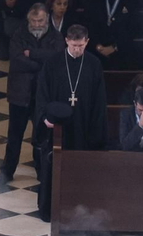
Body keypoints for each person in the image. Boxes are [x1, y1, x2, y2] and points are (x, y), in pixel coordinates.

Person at [33, 25, 106, 219]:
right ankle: (50, 210)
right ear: (66, 41)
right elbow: (42, 94)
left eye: (81, 46)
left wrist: (96, 134)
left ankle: (79, 211)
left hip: (83, 128)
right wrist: (45, 118)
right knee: (54, 167)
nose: (77, 50)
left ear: (87, 42)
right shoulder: (53, 63)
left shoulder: (93, 64)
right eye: (74, 45)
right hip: (58, 130)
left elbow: (99, 102)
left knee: (80, 171)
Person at [0, 4, 62, 188]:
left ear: (47, 19)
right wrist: (41, 64)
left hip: (42, 97)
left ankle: (42, 171)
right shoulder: (19, 35)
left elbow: (56, 58)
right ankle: (7, 172)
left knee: (41, 136)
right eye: (33, 20)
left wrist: (32, 54)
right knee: (14, 135)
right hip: (20, 94)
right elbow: (17, 60)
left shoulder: (55, 37)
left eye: (40, 20)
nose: (36, 24)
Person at [87, 0, 135, 65]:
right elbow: (90, 25)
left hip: (122, 50)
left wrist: (114, 47)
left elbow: (131, 28)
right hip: (98, 48)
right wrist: (98, 46)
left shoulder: (130, 0)